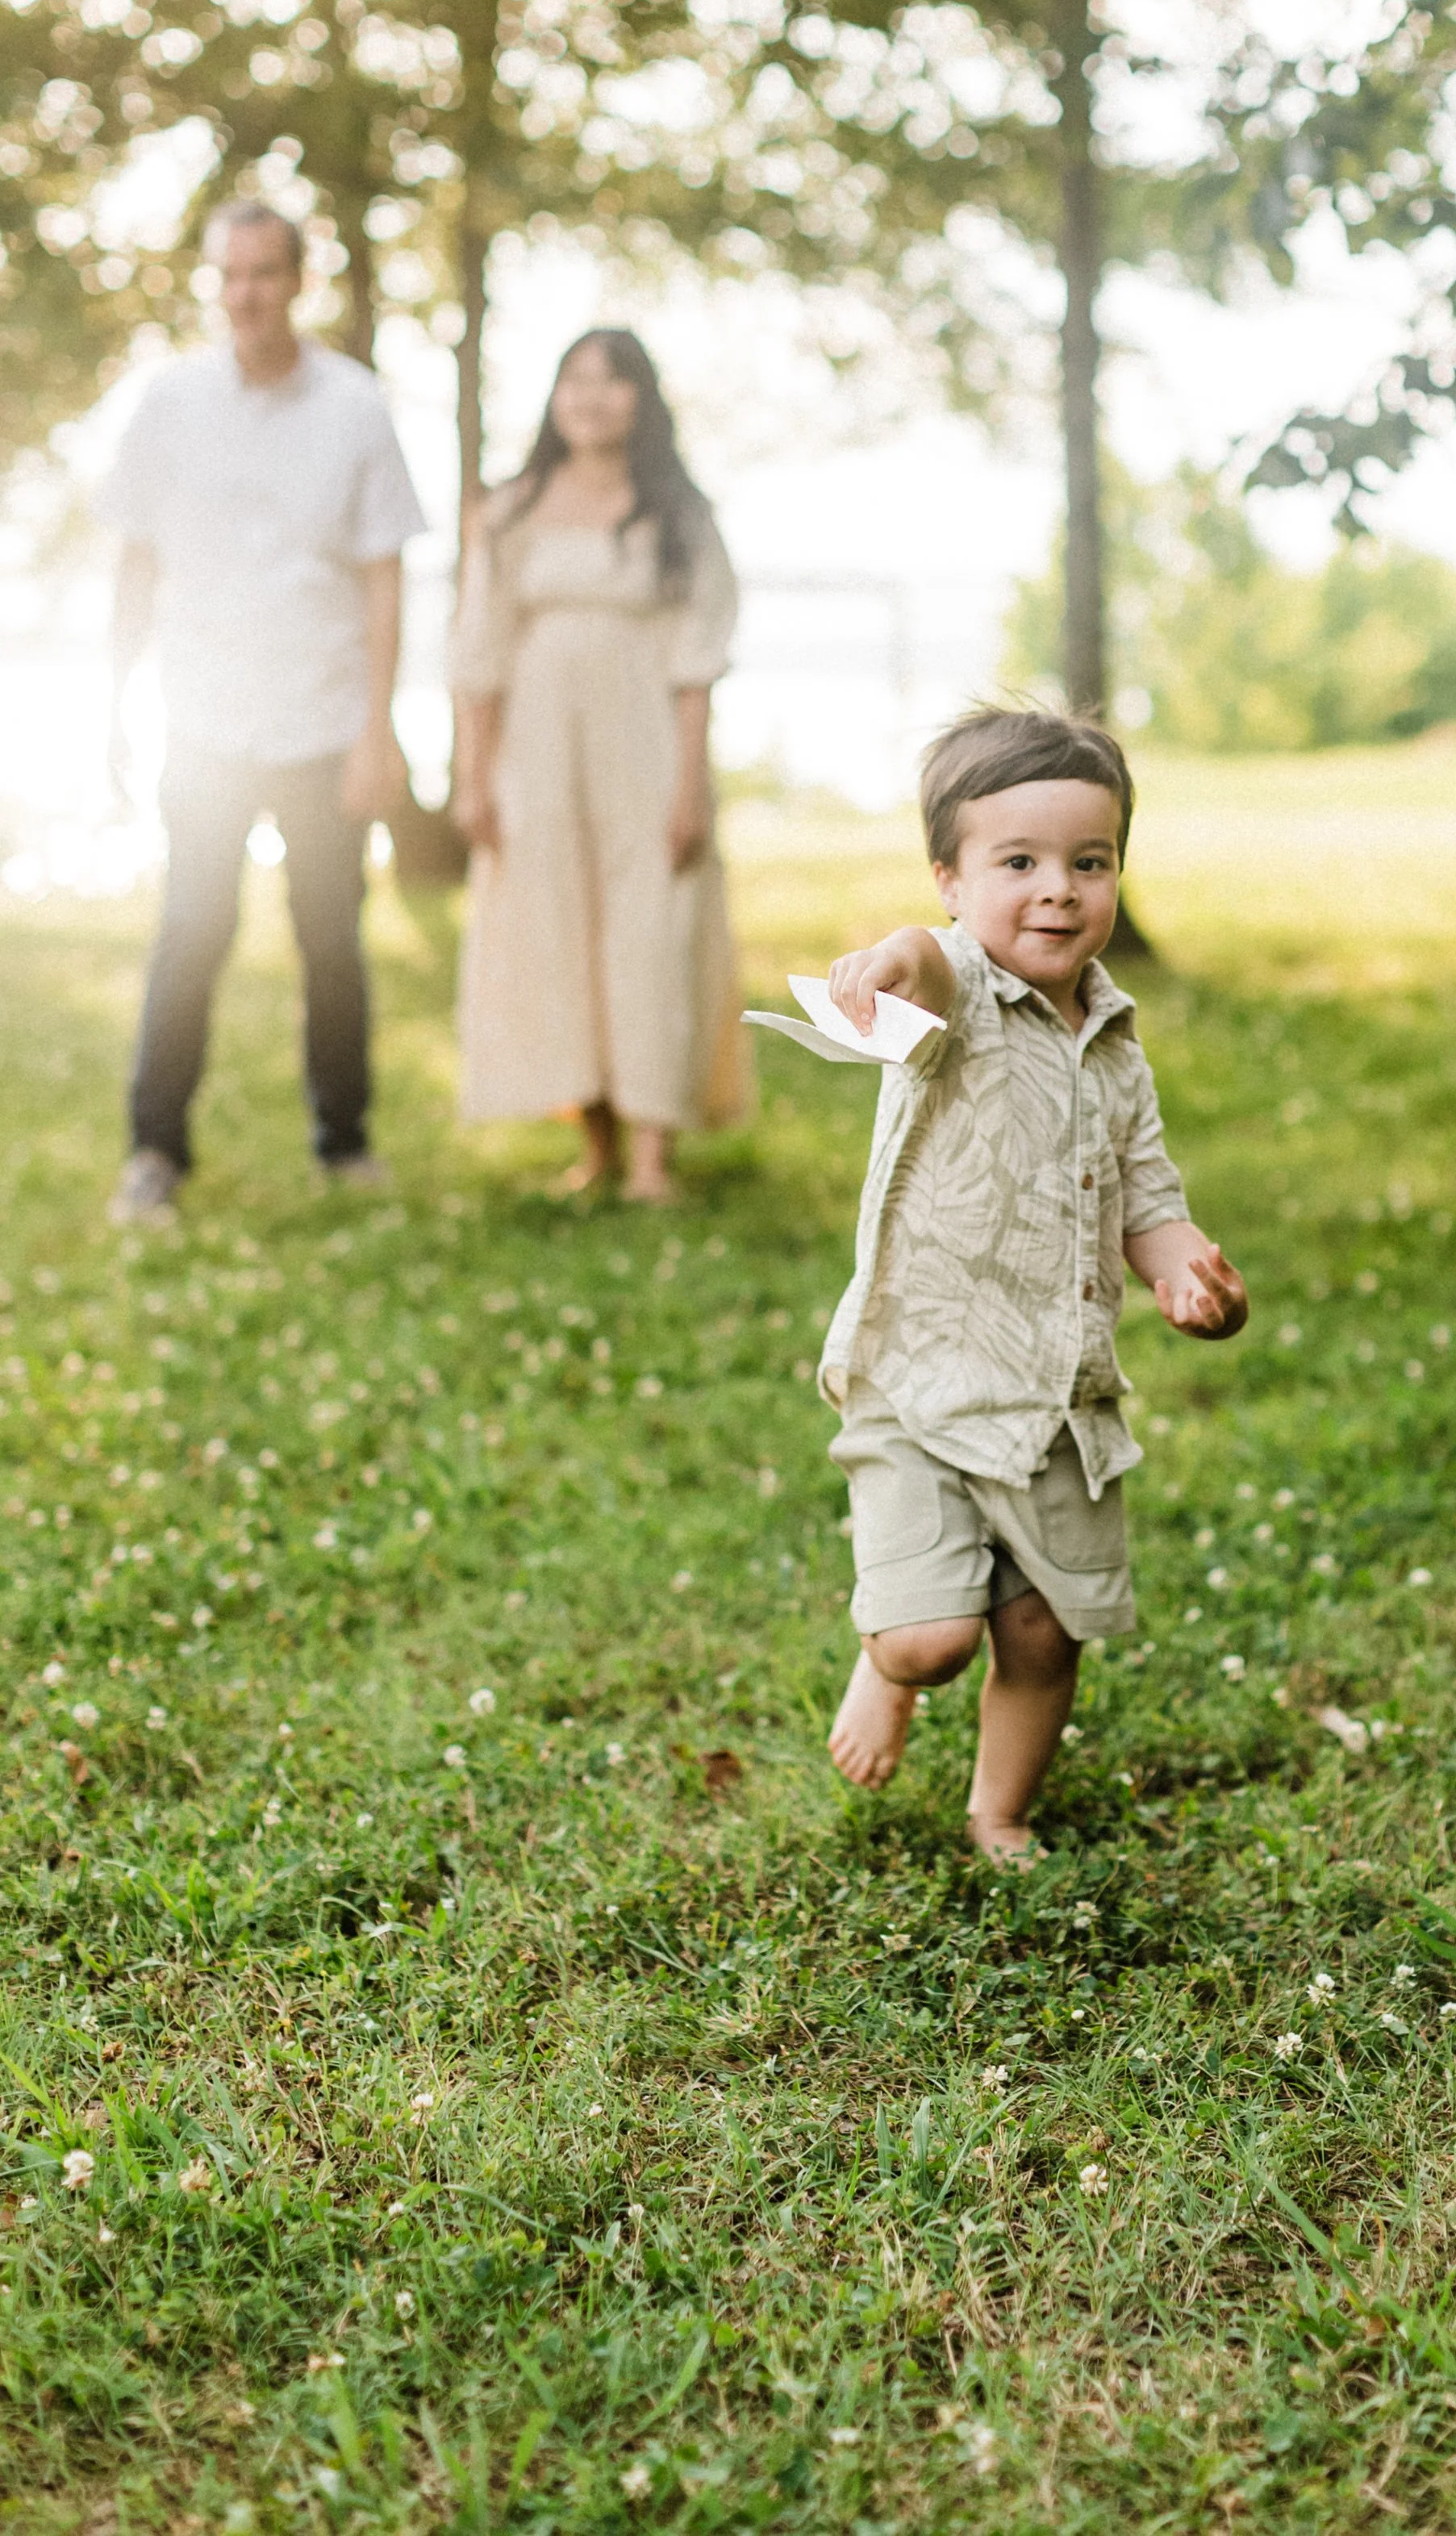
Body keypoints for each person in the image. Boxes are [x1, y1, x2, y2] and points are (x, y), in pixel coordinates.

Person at [820, 706, 1249, 1860]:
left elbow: (1147, 1200)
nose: (1058, 890)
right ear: (952, 879)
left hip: (1060, 1396)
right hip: (925, 1379)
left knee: (1044, 1630)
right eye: (1018, 863)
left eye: (1089, 862)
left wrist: (1190, 1276)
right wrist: (887, 958)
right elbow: (918, 958)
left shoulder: (1116, 1043)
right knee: (933, 1639)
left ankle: (997, 1809)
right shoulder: (952, 988)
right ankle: (884, 1665)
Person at [103, 202, 425, 1228]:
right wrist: (111, 706)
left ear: (298, 280)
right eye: (230, 275)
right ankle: (154, 1152)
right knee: (191, 931)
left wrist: (379, 731)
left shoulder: (354, 406)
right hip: (199, 723)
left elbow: (385, 579)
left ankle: (346, 1144)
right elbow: (136, 564)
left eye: (265, 274)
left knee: (331, 941)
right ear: (214, 283)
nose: (247, 294)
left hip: (323, 724)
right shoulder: (169, 404)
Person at [448, 328, 749, 1203]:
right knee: (556, 925)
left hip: (647, 739)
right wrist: (475, 778)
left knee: (652, 924)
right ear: (552, 397)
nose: (591, 397)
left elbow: (699, 656)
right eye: (575, 380)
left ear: (642, 401)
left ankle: (653, 1155)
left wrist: (690, 784)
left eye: (613, 383)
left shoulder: (680, 516)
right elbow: (479, 655)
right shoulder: (508, 512)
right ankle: (595, 1144)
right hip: (536, 747)